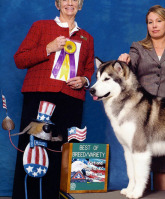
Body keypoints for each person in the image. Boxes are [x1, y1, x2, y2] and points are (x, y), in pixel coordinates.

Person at [12, 0, 94, 198]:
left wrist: (83, 80)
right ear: (57, 4)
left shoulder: (87, 38)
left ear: (80, 5)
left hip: (71, 99)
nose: (70, 3)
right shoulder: (40, 26)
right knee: (33, 150)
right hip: (40, 94)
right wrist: (47, 48)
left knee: (63, 152)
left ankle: (56, 195)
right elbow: (20, 59)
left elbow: (89, 68)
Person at [118, 5, 165, 191]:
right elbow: (129, 72)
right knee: (141, 160)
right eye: (150, 22)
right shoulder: (138, 47)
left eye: (158, 21)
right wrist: (123, 63)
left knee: (164, 167)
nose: (154, 25)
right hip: (142, 112)